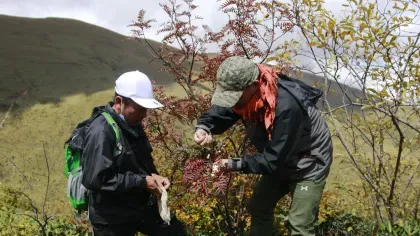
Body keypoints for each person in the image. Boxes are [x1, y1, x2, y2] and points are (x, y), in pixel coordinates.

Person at [193, 56, 333, 236]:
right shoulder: (246, 95)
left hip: (308, 163)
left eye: (235, 96)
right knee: (258, 207)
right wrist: (205, 127)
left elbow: (273, 160)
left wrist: (231, 164)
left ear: (254, 84)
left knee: (299, 225)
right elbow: (227, 108)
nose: (233, 102)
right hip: (279, 157)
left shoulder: (287, 107)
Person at [81, 70, 187, 236]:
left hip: (138, 206)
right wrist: (141, 182)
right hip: (111, 218)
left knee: (175, 232)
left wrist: (154, 175)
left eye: (146, 109)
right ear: (119, 102)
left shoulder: (133, 123)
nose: (144, 115)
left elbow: (142, 158)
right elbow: (95, 179)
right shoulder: (100, 131)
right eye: (139, 108)